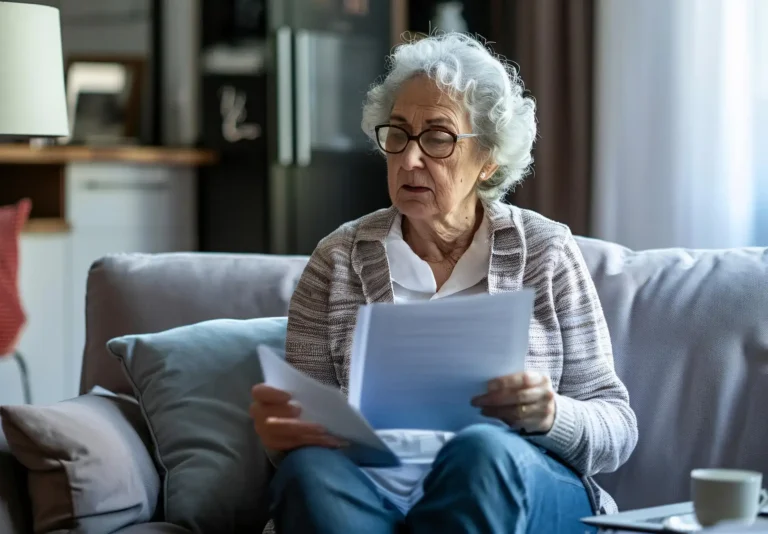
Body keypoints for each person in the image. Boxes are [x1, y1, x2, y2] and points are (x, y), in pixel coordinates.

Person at [250, 32, 638, 534]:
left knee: (482, 450)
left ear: (489, 159)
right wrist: (283, 437)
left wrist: (549, 415)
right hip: (376, 497)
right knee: (308, 472)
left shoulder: (545, 251)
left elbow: (617, 428)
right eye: (398, 134)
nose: (410, 160)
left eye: (438, 137)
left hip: (512, 483)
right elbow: (307, 433)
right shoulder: (337, 260)